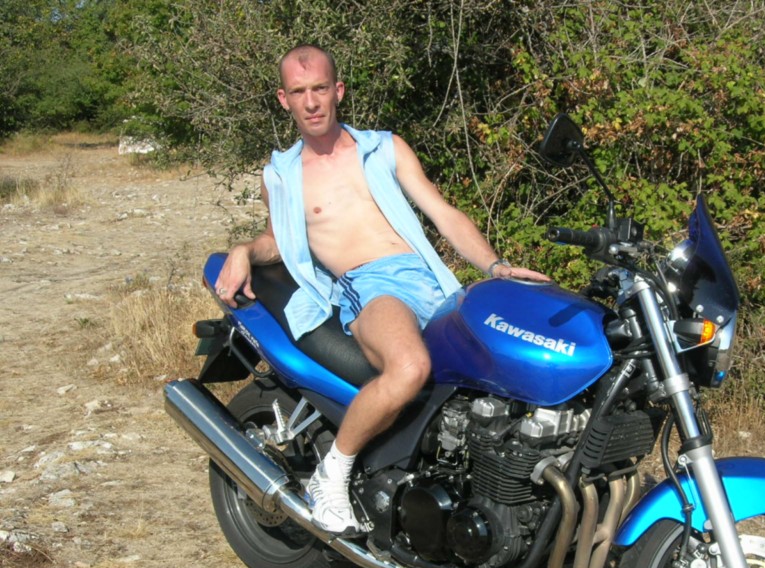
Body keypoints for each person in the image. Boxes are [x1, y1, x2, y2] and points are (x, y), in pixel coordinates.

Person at [214, 44, 547, 537]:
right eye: (299, 92)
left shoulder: (385, 148)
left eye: (320, 88)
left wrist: (495, 267)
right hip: (369, 287)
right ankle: (332, 474)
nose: (312, 102)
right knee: (409, 367)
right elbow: (280, 241)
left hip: (435, 284)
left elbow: (443, 213)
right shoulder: (281, 176)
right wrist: (243, 250)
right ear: (284, 100)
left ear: (339, 90)